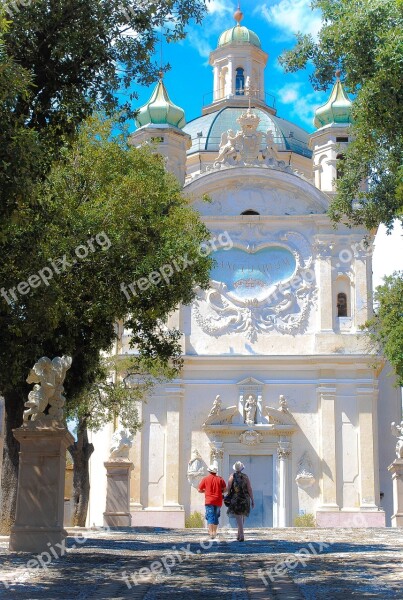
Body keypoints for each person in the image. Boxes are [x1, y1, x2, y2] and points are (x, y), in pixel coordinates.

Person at [226, 461, 254, 542]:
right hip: (245, 498)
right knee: (242, 516)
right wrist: (252, 499)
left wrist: (228, 495)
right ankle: (239, 534)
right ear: (242, 468)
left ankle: (241, 534)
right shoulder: (246, 477)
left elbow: (228, 488)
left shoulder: (232, 476)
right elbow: (249, 489)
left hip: (236, 498)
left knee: (238, 516)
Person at [198, 464, 227, 539]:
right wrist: (220, 491)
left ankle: (211, 533)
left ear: (209, 471)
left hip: (209, 500)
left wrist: (205, 491)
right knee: (216, 515)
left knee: (210, 515)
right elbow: (225, 489)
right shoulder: (220, 479)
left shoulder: (205, 479)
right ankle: (215, 531)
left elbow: (199, 489)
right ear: (215, 472)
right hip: (218, 500)